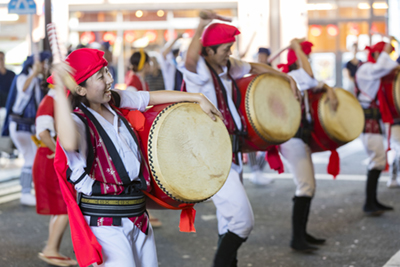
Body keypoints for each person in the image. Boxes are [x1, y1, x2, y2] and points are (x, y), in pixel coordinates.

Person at [50, 48, 222, 267]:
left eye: (107, 72)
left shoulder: (114, 102)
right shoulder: (78, 122)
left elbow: (151, 98)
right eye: (101, 76)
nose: (110, 79)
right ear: (80, 89)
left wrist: (196, 98)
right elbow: (68, 141)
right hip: (105, 225)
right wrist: (58, 86)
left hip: (138, 219)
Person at [182, 10, 299, 266]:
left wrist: (285, 77)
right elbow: (190, 58)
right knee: (243, 222)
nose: (229, 53)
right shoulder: (199, 71)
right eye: (225, 48)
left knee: (228, 223)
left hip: (231, 154)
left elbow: (255, 67)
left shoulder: (227, 67)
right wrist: (201, 24)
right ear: (209, 50)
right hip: (211, 156)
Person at [278, 38, 338, 252]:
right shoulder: (292, 76)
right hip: (293, 137)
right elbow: (311, 78)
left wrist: (328, 88)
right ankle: (297, 238)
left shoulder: (295, 76)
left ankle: (301, 234)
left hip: (298, 137)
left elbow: (316, 83)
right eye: (306, 58)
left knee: (308, 186)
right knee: (305, 186)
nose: (309, 61)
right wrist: (296, 48)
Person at [32, 85, 77, 266]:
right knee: (65, 206)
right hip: (49, 159)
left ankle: (52, 248)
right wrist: (57, 151)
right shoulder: (50, 101)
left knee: (61, 206)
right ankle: (51, 249)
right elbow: (43, 132)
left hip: (49, 159)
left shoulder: (54, 99)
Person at [355, 40, 399, 214]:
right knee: (377, 159)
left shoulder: (371, 69)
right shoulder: (366, 69)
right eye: (381, 54)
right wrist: (385, 52)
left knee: (378, 160)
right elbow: (384, 67)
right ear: (375, 55)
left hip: (375, 119)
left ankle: (373, 201)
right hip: (368, 119)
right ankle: (369, 204)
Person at [2, 52, 51, 206]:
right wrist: (35, 73)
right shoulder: (23, 78)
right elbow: (23, 89)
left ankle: (30, 191)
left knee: (32, 158)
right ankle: (25, 192)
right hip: (20, 125)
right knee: (30, 158)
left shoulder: (35, 79)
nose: (45, 66)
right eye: (43, 63)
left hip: (27, 126)